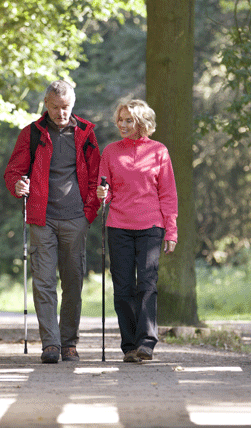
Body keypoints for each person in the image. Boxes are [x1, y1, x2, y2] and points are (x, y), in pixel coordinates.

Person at [4, 80, 101, 363]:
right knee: (43, 282)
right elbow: (14, 171)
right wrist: (18, 185)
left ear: (73, 104)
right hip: (41, 219)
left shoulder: (86, 133)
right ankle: (51, 345)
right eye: (56, 107)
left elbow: (96, 177)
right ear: (46, 105)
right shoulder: (31, 134)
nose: (62, 113)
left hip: (75, 219)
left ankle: (69, 342)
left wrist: (88, 214)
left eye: (66, 107)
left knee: (72, 283)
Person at [96, 99, 178, 363]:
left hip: (151, 226)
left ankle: (146, 343)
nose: (122, 124)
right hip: (118, 225)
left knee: (146, 284)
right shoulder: (110, 152)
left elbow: (168, 194)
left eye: (128, 120)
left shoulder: (159, 152)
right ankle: (129, 345)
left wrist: (171, 231)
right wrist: (102, 195)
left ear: (141, 122)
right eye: (120, 120)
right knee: (122, 289)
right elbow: (103, 192)